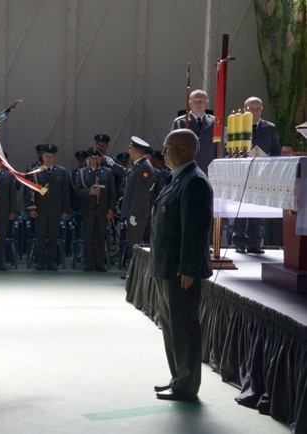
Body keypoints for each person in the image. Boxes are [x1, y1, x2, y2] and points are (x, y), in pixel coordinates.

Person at [149, 128, 213, 401]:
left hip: (179, 271)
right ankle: (179, 379)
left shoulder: (194, 181)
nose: (163, 152)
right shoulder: (178, 178)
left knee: (183, 328)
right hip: (167, 267)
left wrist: (188, 267)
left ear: (184, 150)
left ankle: (186, 385)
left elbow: (196, 230)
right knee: (172, 327)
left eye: (167, 147)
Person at [232, 97, 282, 254]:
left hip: (260, 173)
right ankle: (238, 240)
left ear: (261, 109)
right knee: (240, 207)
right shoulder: (238, 125)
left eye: (257, 109)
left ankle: (254, 242)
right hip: (241, 172)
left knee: (255, 208)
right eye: (250, 109)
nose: (254, 112)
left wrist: (266, 159)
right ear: (245, 109)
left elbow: (276, 150)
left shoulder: (269, 127)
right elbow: (230, 147)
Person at [26, 144, 70, 271]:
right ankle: (40, 261)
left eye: (51, 156)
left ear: (54, 157)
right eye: (46, 156)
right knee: (40, 236)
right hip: (39, 209)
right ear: (42, 157)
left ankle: (51, 261)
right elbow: (29, 191)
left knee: (53, 236)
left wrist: (65, 210)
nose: (49, 158)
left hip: (55, 210)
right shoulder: (35, 171)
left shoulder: (61, 171)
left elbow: (65, 192)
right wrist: (30, 208)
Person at [74, 147, 116, 272]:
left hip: (102, 210)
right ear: (89, 159)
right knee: (88, 236)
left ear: (102, 158)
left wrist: (111, 209)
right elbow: (77, 190)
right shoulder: (82, 172)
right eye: (92, 157)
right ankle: (88, 263)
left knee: (100, 236)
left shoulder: (108, 172)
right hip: (88, 210)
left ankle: (99, 263)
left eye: (97, 157)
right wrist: (89, 192)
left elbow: (112, 193)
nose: (94, 159)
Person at [121, 136, 155, 263]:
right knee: (133, 244)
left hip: (137, 214)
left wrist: (134, 214)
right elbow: (128, 174)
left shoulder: (144, 167)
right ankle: (133, 271)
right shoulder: (138, 166)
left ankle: (135, 272)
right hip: (134, 212)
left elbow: (140, 194)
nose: (129, 150)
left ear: (135, 151)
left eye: (130, 148)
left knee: (136, 245)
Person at [171, 89, 216, 175]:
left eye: (201, 101)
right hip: (187, 171)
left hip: (209, 171)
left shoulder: (215, 123)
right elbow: (173, 148)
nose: (198, 104)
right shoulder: (180, 123)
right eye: (195, 101)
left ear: (207, 102)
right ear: (189, 103)